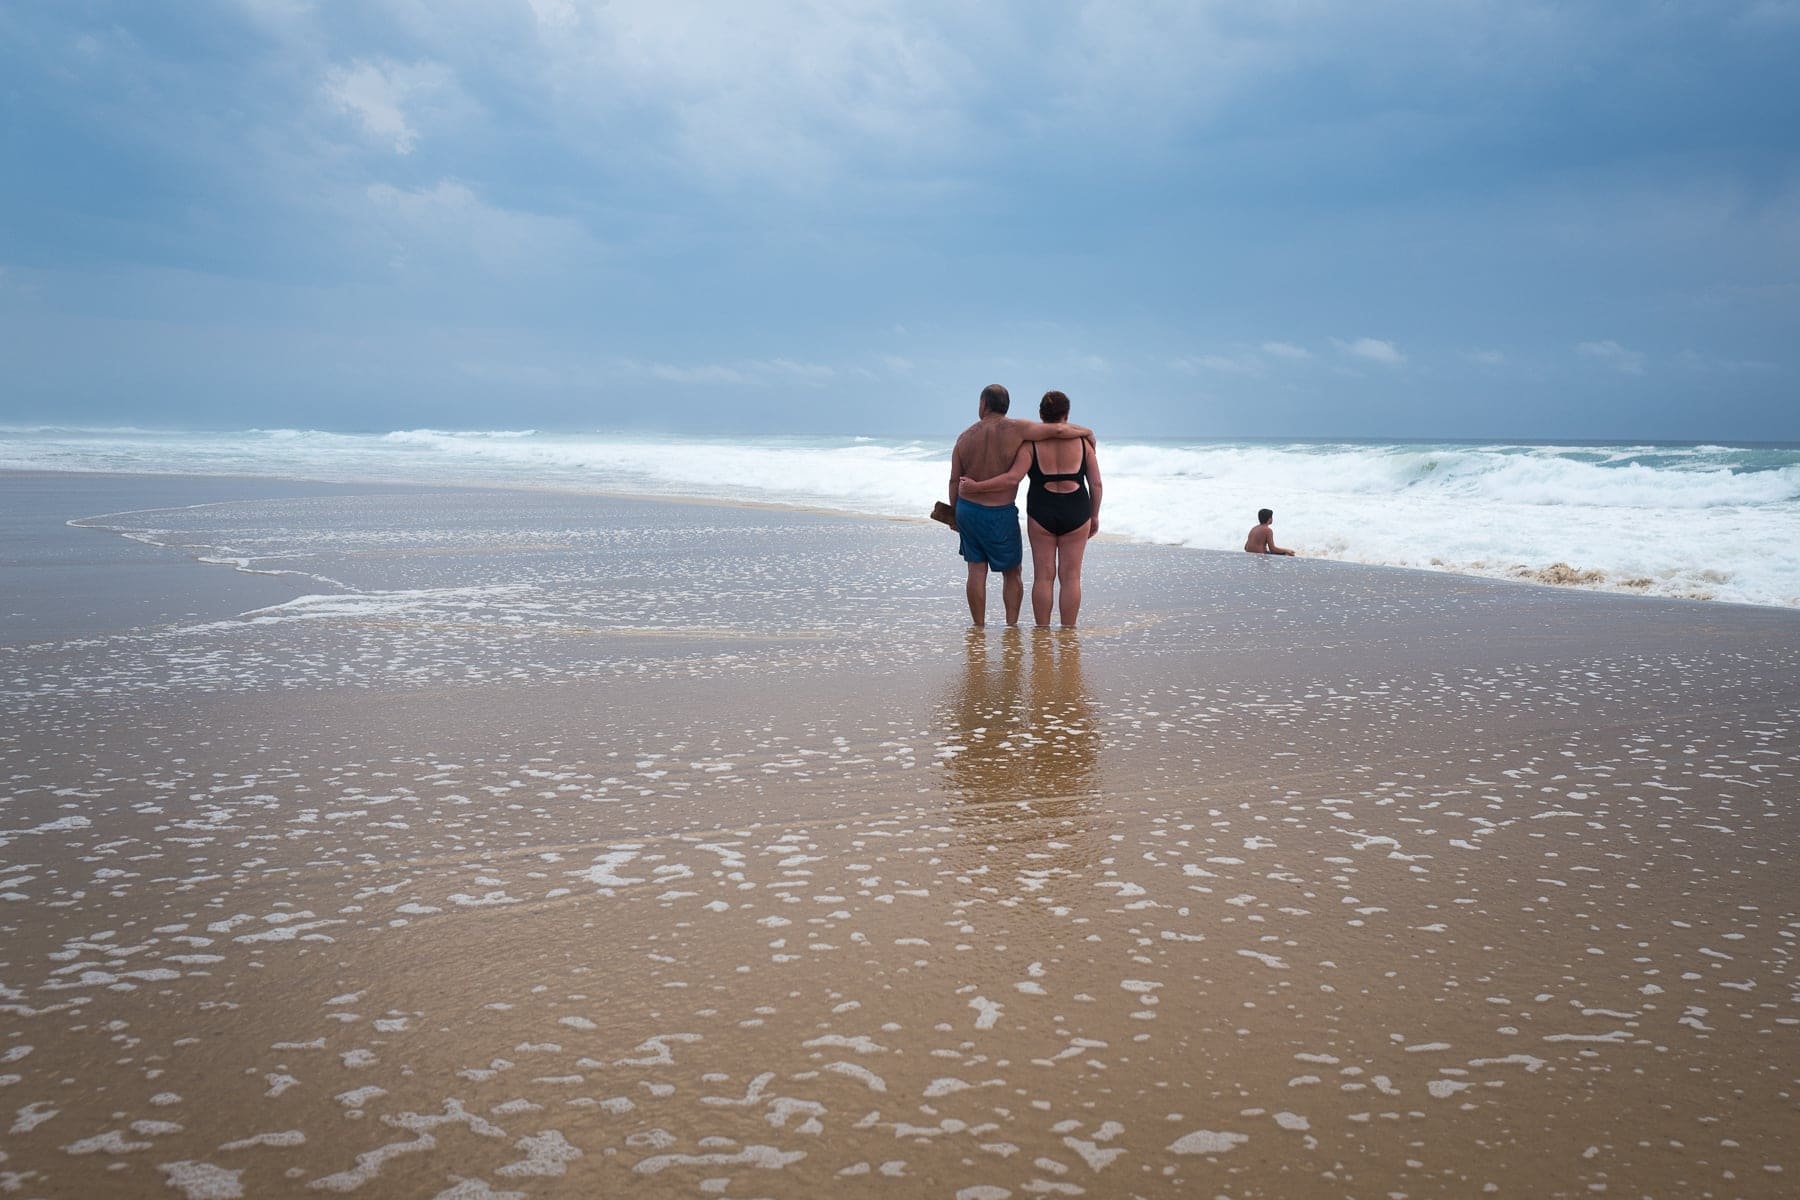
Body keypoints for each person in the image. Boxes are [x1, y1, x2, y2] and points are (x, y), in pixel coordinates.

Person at [948, 384, 1093, 627]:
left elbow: (954, 480)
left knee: (975, 570)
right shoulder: (1017, 429)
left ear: (983, 405)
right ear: (1006, 405)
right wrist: (1087, 431)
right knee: (1012, 572)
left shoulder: (964, 437)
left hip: (968, 510)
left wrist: (954, 513)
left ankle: (979, 626)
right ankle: (1012, 625)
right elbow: (1056, 430)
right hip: (1000, 512)